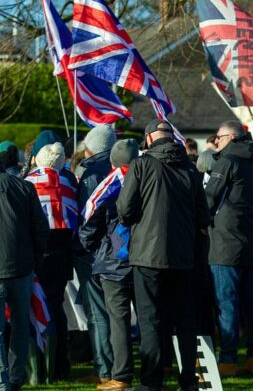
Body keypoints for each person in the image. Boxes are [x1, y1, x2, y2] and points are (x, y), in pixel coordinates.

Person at [116, 119, 211, 391]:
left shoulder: (141, 165)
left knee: (151, 321)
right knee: (185, 322)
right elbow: (203, 216)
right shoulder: (190, 170)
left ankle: (151, 382)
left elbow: (124, 210)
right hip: (183, 256)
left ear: (148, 139)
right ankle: (188, 382)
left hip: (148, 255)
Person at [0, 146, 49, 391]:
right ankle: (13, 380)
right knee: (21, 325)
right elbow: (40, 230)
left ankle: (2, 383)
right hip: (22, 269)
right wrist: (34, 260)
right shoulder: (24, 186)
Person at [205, 120, 253, 376]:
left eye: (219, 137)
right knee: (251, 302)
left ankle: (228, 359)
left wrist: (200, 220)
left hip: (225, 243)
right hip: (249, 240)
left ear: (230, 137)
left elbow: (209, 198)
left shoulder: (227, 161)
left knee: (227, 303)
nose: (216, 142)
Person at [79, 139, 140, 390]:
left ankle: (122, 375)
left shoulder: (113, 179)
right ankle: (154, 372)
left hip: (115, 260)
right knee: (150, 317)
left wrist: (91, 246)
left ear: (113, 161)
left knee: (119, 319)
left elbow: (89, 214)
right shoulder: (151, 174)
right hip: (148, 257)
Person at [24, 142, 78, 382]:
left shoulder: (28, 183)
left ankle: (36, 371)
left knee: (34, 306)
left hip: (37, 252)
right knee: (56, 307)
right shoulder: (69, 182)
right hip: (61, 251)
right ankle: (57, 368)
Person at [74, 124, 118, 385]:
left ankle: (105, 370)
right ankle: (116, 369)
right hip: (120, 250)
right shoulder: (124, 167)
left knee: (98, 313)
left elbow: (87, 215)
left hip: (94, 252)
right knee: (117, 313)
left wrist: (81, 245)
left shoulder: (91, 172)